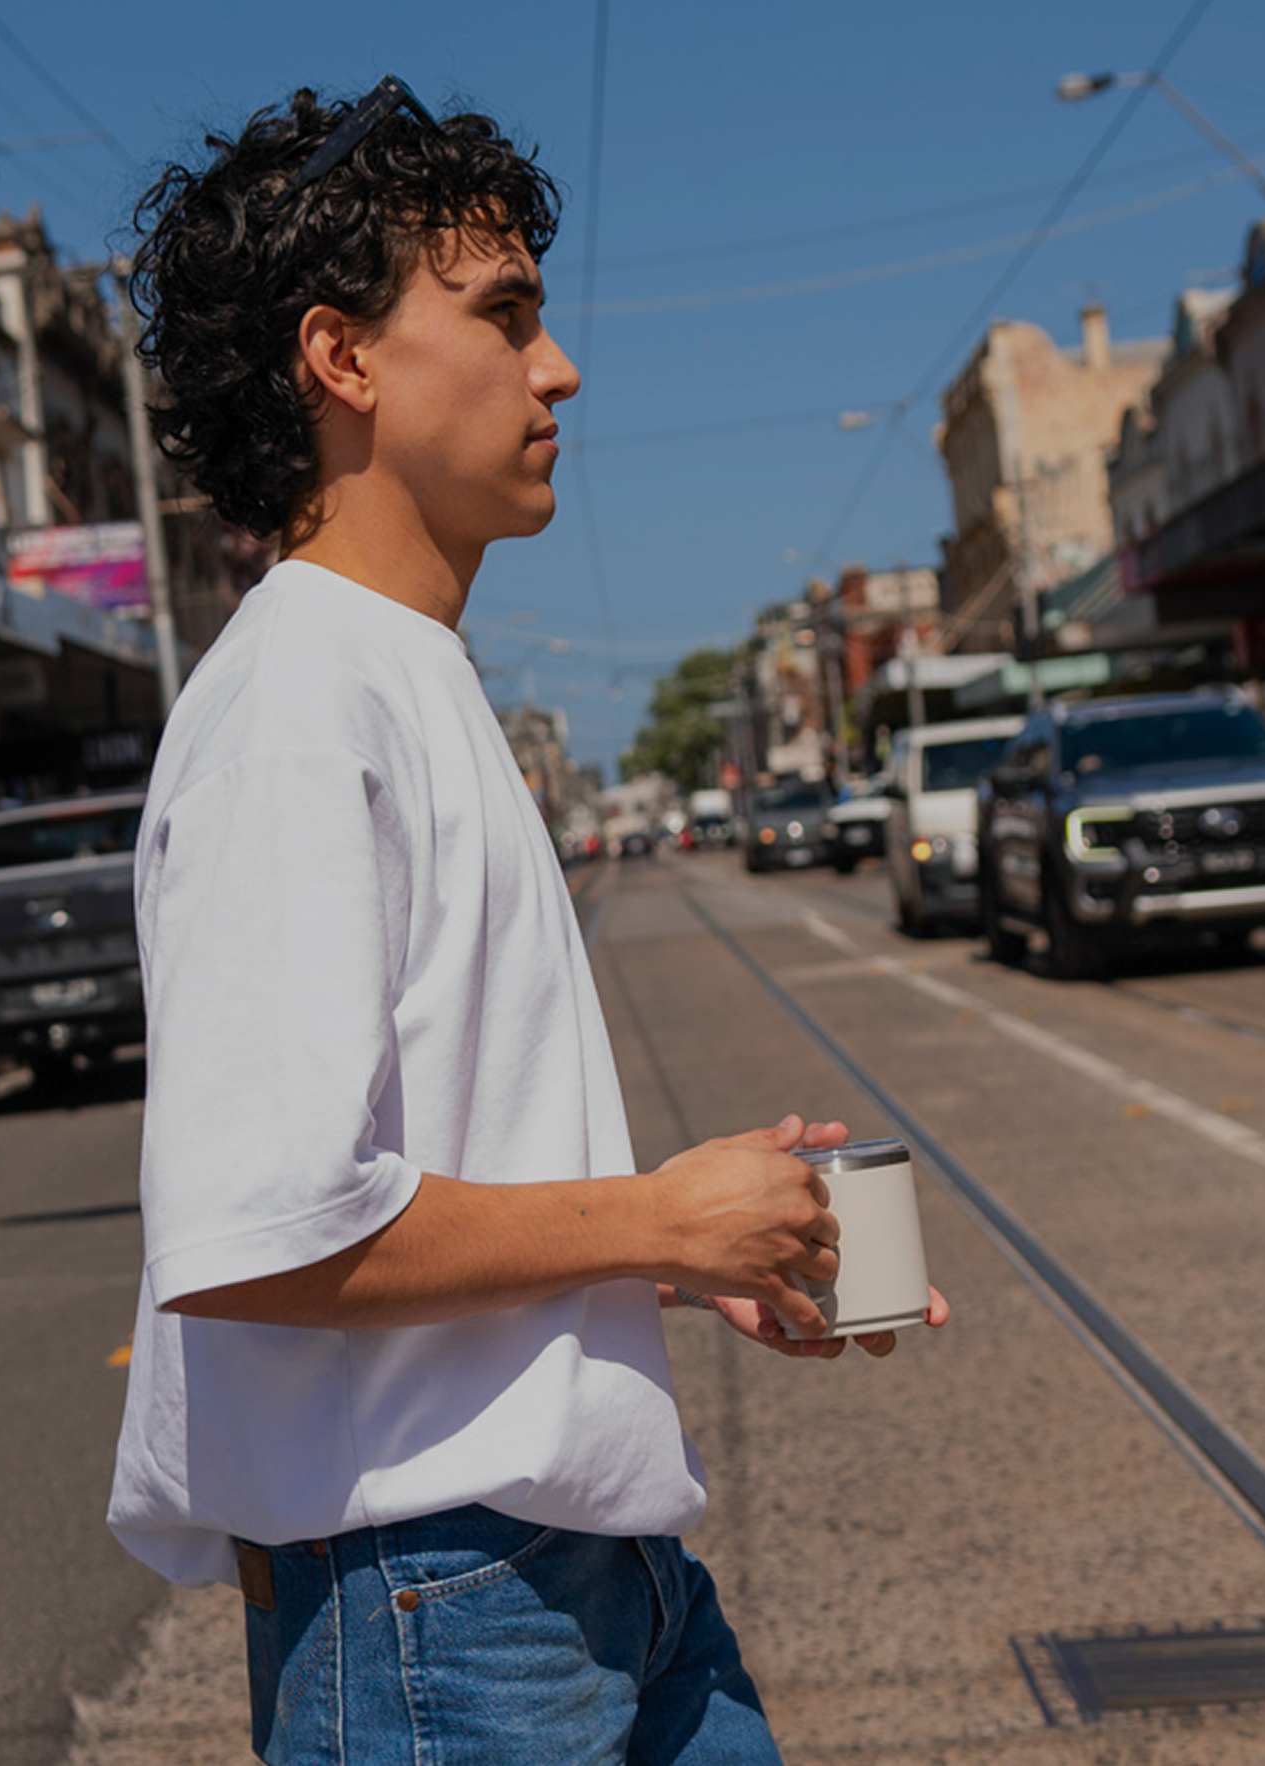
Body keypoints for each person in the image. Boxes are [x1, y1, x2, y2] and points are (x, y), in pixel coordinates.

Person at [108, 79, 950, 1763]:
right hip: (437, 1618)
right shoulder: (298, 700)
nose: (555, 369)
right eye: (503, 318)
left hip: (590, 1579)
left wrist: (698, 1250)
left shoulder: (401, 673)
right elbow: (261, 1229)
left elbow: (426, 1165)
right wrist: (654, 1222)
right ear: (340, 359)